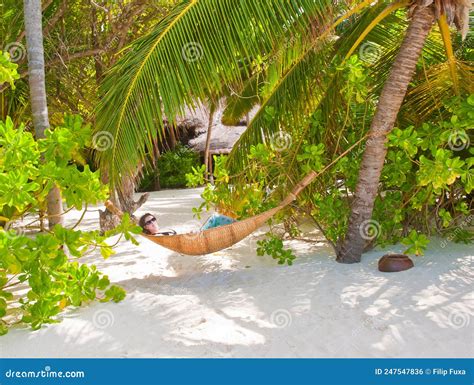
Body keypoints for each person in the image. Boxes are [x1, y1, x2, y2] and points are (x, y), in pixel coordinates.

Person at [139, 212, 236, 236]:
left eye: (153, 219)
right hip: (195, 237)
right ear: (146, 227)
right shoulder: (158, 236)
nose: (152, 222)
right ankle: (237, 224)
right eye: (149, 222)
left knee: (215, 220)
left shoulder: (161, 232)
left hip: (194, 234)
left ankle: (236, 225)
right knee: (215, 217)